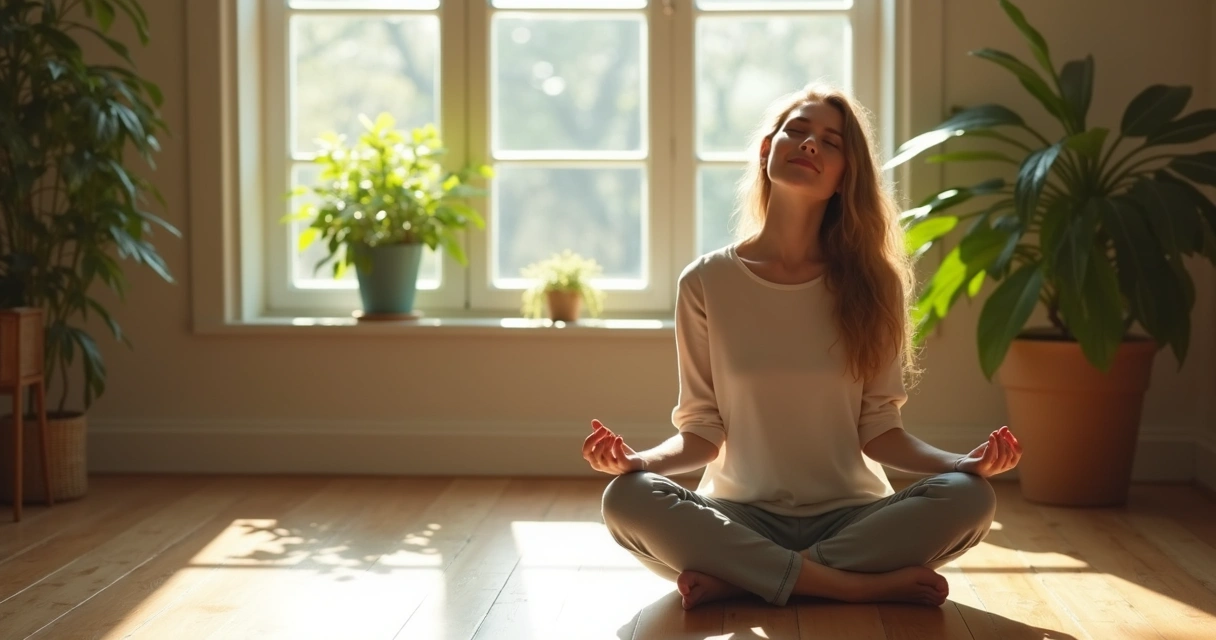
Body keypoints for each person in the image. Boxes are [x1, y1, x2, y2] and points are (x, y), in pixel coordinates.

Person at [581, 83, 1022, 611]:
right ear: (768, 150)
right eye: (797, 130)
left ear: (844, 177)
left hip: (853, 514)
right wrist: (638, 461)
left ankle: (746, 577)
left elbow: (880, 429)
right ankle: (851, 585)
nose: (810, 143)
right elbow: (701, 430)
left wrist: (960, 463)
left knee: (970, 497)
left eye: (830, 142)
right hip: (737, 513)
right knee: (626, 498)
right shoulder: (704, 282)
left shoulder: (874, 283)